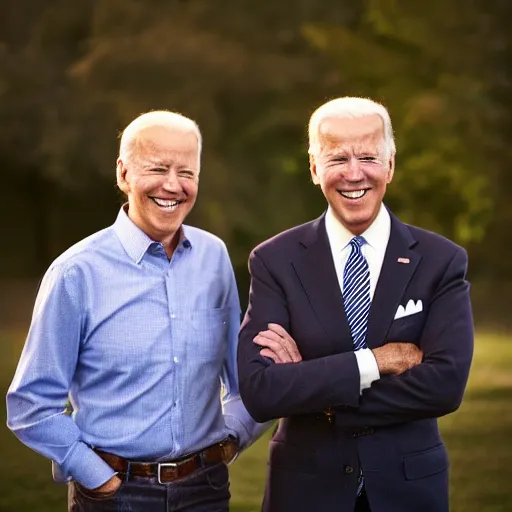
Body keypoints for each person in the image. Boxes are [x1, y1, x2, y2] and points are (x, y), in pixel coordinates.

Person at [7, 110, 268, 512]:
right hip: (115, 495)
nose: (173, 185)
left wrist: (232, 436)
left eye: (187, 172)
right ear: (124, 173)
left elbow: (242, 378)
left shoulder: (214, 257)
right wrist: (98, 477)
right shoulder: (76, 272)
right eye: (158, 168)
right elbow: (30, 405)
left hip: (207, 491)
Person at [237, 97, 474, 512]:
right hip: (305, 492)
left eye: (368, 156)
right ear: (314, 168)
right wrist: (375, 362)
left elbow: (445, 386)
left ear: (391, 165)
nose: (353, 173)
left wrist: (316, 391)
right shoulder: (274, 260)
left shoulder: (442, 260)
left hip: (408, 492)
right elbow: (261, 391)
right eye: (337, 158)